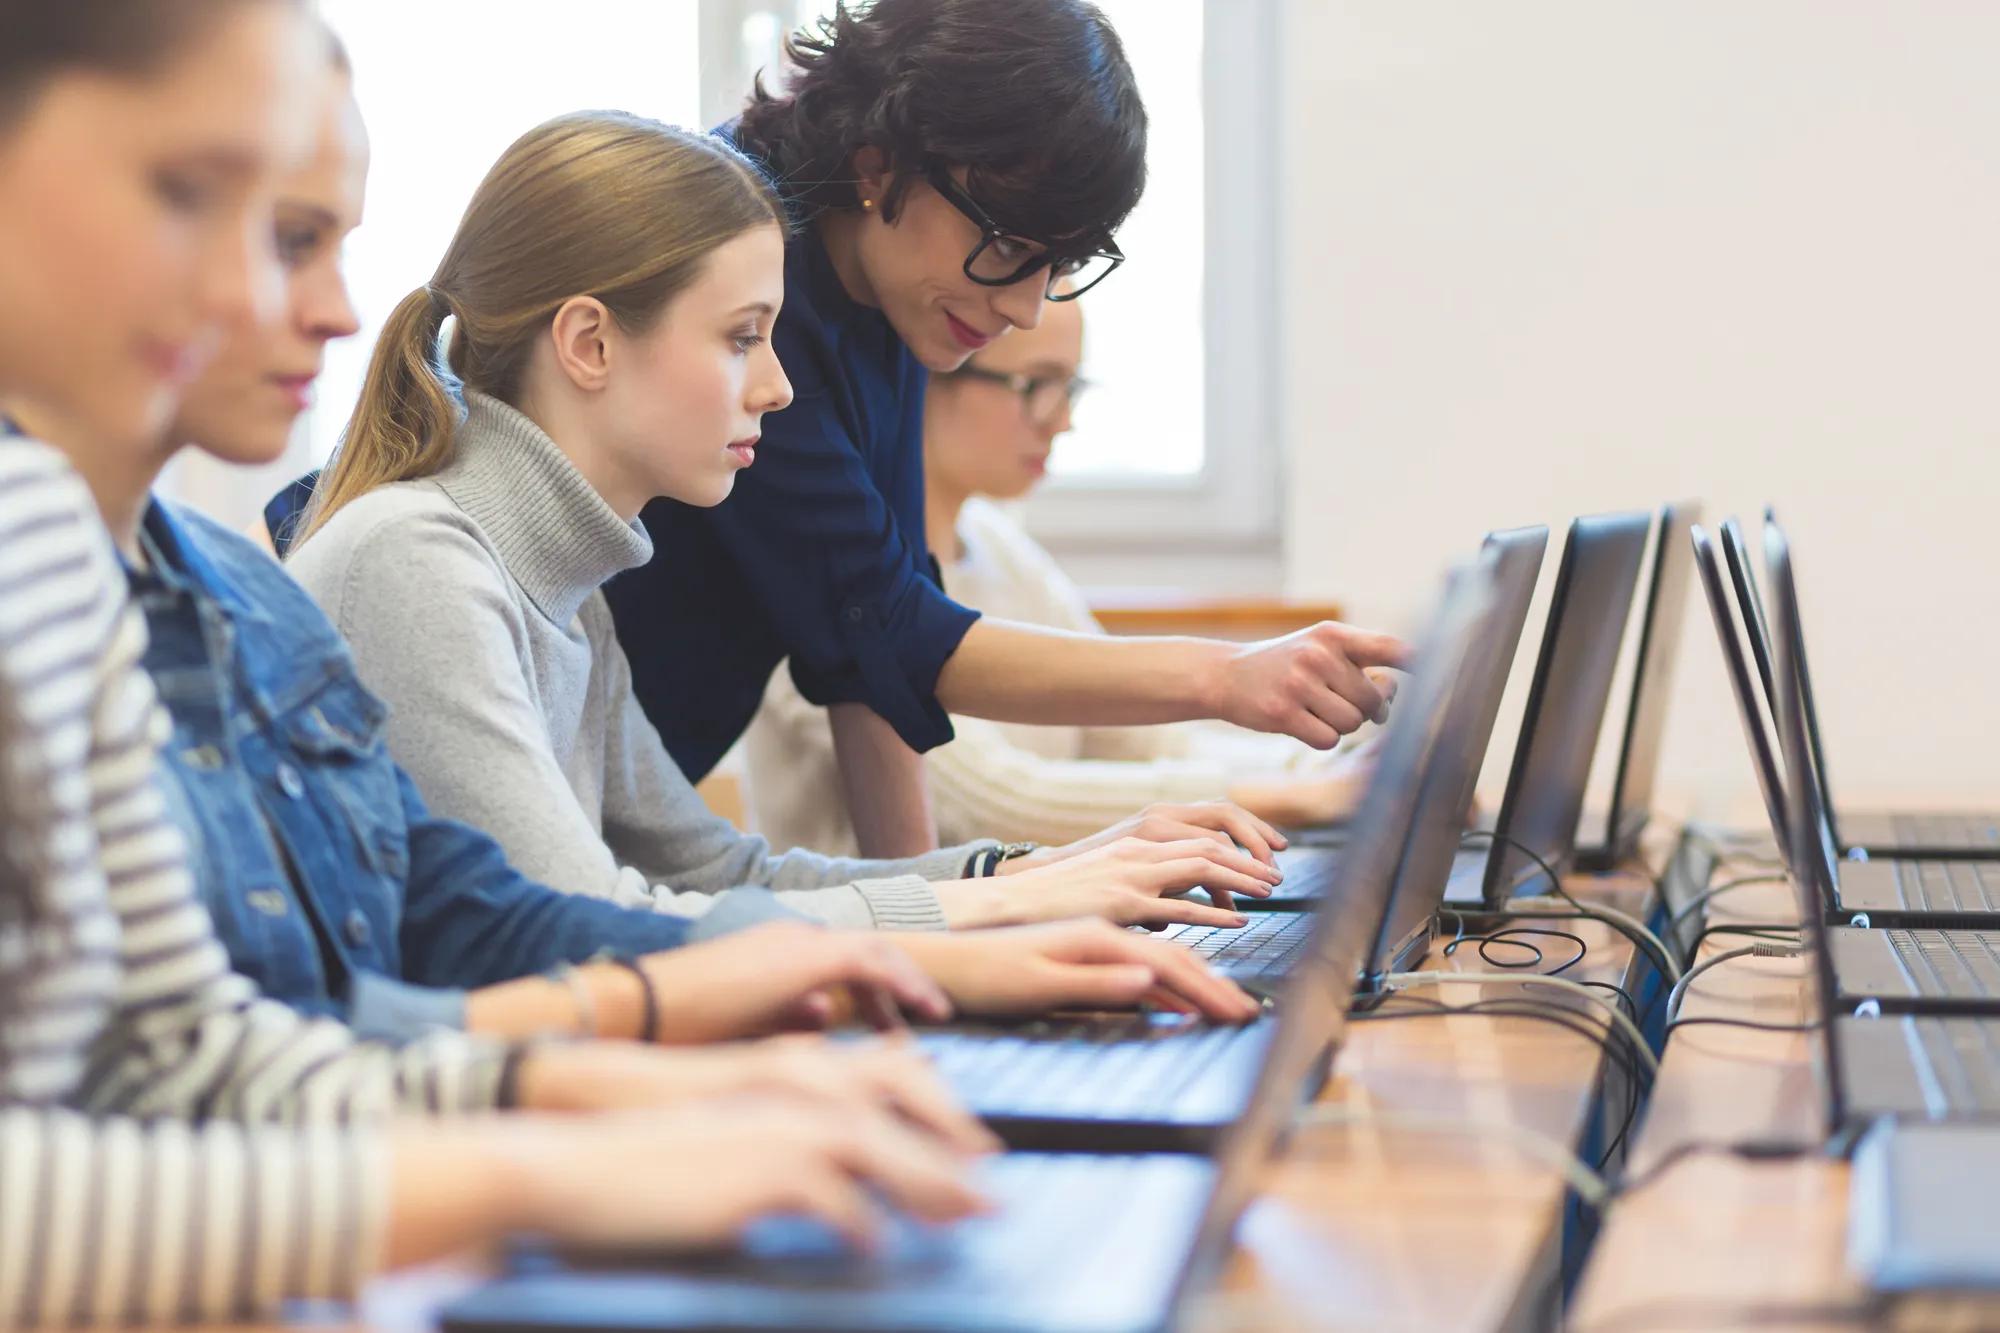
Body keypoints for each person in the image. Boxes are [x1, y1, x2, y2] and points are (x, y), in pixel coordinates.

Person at [0, 2, 984, 1320]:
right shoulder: (384, 555)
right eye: (195, 197)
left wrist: (612, 1091)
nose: (307, 307)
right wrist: (547, 1157)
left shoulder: (55, 545)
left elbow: (201, 1064)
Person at [13, 83, 1263, 1041]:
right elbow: (575, 933)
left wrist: (1015, 881)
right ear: (590, 346)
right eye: (741, 338)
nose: (777, 387)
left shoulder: (563, 580)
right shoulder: (416, 560)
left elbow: (700, 876)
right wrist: (974, 921)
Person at [268, 0, 1407, 861]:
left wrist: (958, 922)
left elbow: (868, 661)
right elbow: (900, 636)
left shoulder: (887, 302)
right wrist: (1218, 678)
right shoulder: (436, 564)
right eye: (1014, 245)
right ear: (880, 169)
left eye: (1060, 265)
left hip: (607, 841)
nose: (1021, 306)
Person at [746, 296, 1380, 854]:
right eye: (1035, 384)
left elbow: (1144, 746)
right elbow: (996, 805)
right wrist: (1304, 798)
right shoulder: (823, 567)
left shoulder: (999, 547)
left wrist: (1341, 765)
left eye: (1071, 387)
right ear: (929, 376)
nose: (1063, 419)